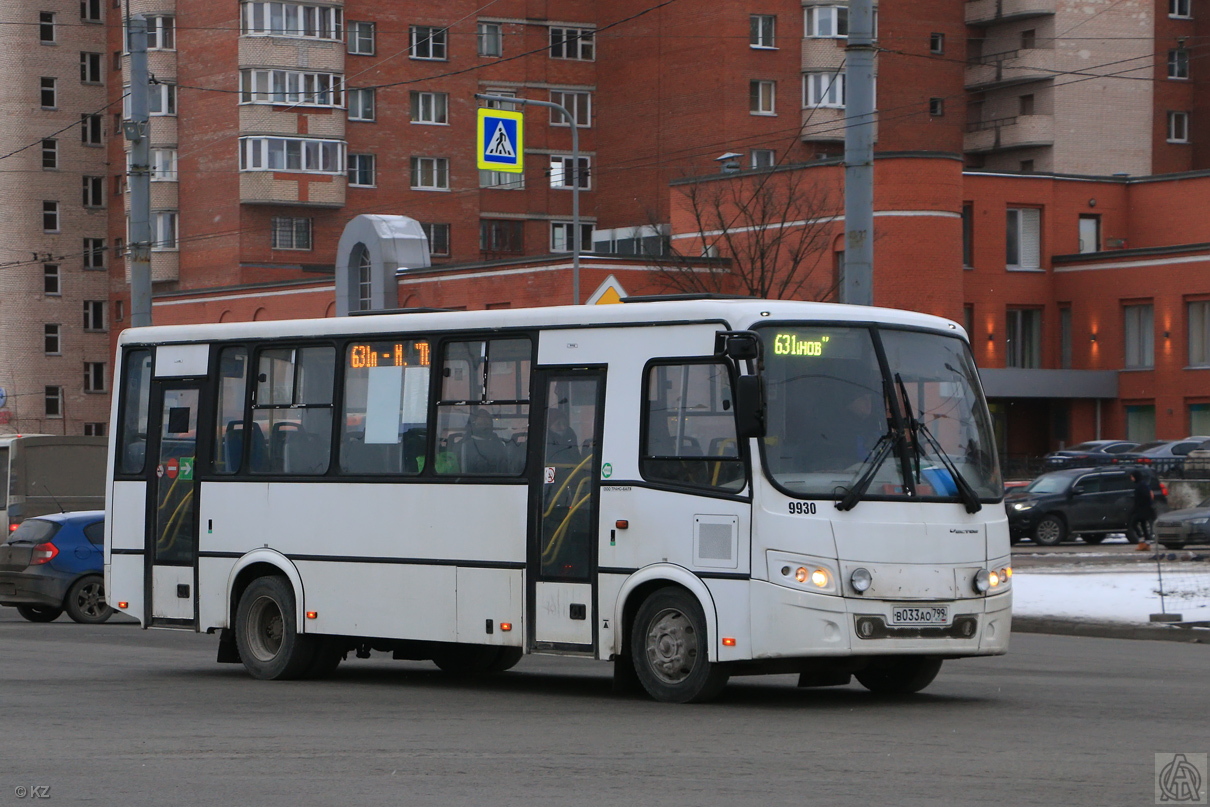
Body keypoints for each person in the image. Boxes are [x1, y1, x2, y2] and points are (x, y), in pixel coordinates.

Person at [459, 407, 508, 474]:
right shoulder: (464, 445)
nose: (484, 424)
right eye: (481, 423)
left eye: (487, 423)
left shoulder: (499, 444)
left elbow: (504, 469)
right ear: (474, 424)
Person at [1130, 469, 1156, 547]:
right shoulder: (1141, 484)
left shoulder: (1141, 486)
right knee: (1143, 524)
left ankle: (1142, 537)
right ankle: (1147, 539)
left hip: (1142, 509)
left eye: (1132, 477)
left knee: (1133, 523)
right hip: (1143, 509)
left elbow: (1146, 496)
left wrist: (1139, 506)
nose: (1131, 479)